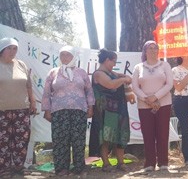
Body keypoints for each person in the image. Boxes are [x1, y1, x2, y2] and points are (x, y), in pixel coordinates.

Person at [42, 46, 95, 175]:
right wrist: (47, 110)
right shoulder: (53, 72)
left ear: (73, 56)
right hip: (59, 111)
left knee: (78, 139)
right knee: (60, 140)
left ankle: (79, 167)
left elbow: (89, 91)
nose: (64, 58)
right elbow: (47, 93)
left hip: (79, 110)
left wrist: (91, 107)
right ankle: (61, 168)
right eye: (62, 55)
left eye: (68, 55)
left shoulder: (81, 73)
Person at [131, 40, 174, 172]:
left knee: (162, 133)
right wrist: (146, 99)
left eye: (155, 48)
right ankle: (149, 163)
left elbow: (169, 84)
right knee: (148, 134)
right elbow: (135, 86)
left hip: (163, 104)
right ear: (145, 51)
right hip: (144, 105)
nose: (153, 50)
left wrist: (155, 97)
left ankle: (163, 163)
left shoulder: (165, 65)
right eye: (150, 48)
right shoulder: (138, 67)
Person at [92, 48, 134, 172]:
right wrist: (123, 79)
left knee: (121, 134)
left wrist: (125, 78)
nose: (115, 64)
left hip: (119, 109)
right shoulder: (98, 74)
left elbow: (127, 78)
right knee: (106, 137)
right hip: (105, 110)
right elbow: (111, 84)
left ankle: (121, 162)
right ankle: (106, 164)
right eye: (113, 61)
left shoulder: (113, 73)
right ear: (106, 60)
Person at [0, 37, 37, 176]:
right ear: (2, 49)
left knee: (21, 139)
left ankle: (18, 167)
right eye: (9, 48)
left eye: (15, 48)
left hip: (22, 109)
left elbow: (28, 85)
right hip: (1, 110)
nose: (12, 51)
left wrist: (32, 102)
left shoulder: (21, 64)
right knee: (2, 140)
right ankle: (3, 168)